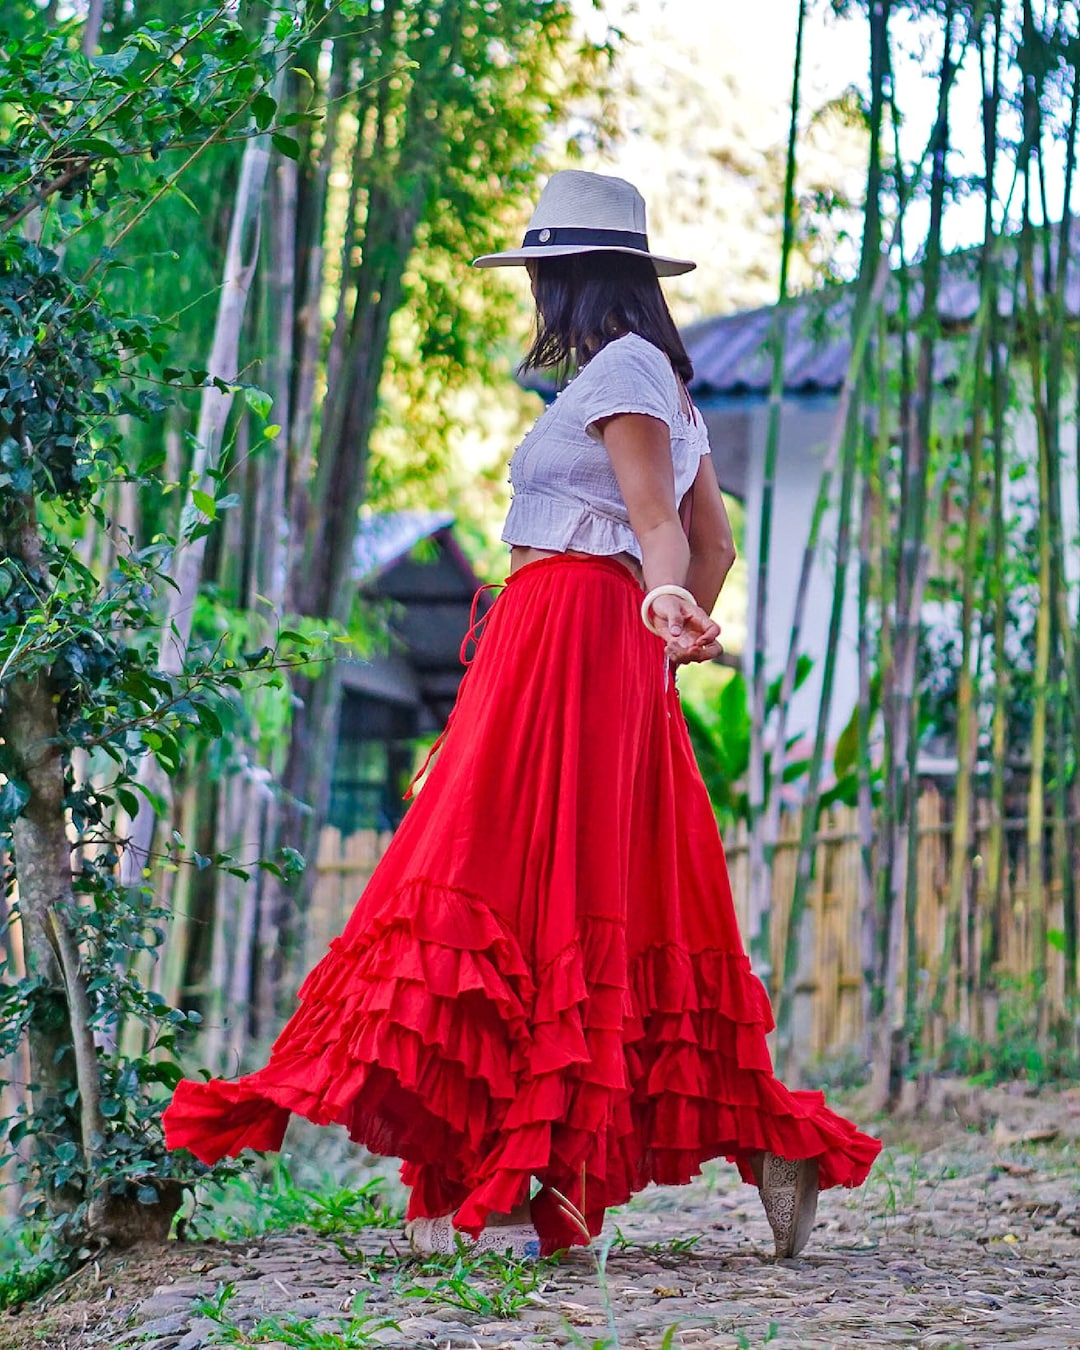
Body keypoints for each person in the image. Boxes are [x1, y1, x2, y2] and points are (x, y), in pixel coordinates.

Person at [163, 169, 880, 1261]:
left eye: (543, 275)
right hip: (580, 647)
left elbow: (660, 525)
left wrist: (659, 600)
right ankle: (547, 1173)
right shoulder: (657, 380)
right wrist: (669, 615)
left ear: (569, 277)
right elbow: (712, 540)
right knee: (554, 898)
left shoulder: (630, 371)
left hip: (569, 639)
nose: (536, 295)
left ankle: (516, 1180)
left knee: (491, 886)